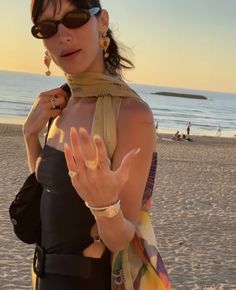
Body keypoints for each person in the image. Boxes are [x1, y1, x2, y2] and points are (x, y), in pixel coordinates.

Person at [22, 0, 171, 289]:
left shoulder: (130, 114)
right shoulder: (62, 102)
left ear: (102, 21)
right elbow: (49, 187)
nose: (62, 35)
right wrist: (30, 136)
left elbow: (121, 237)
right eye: (47, 27)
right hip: (42, 275)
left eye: (75, 18)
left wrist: (104, 206)